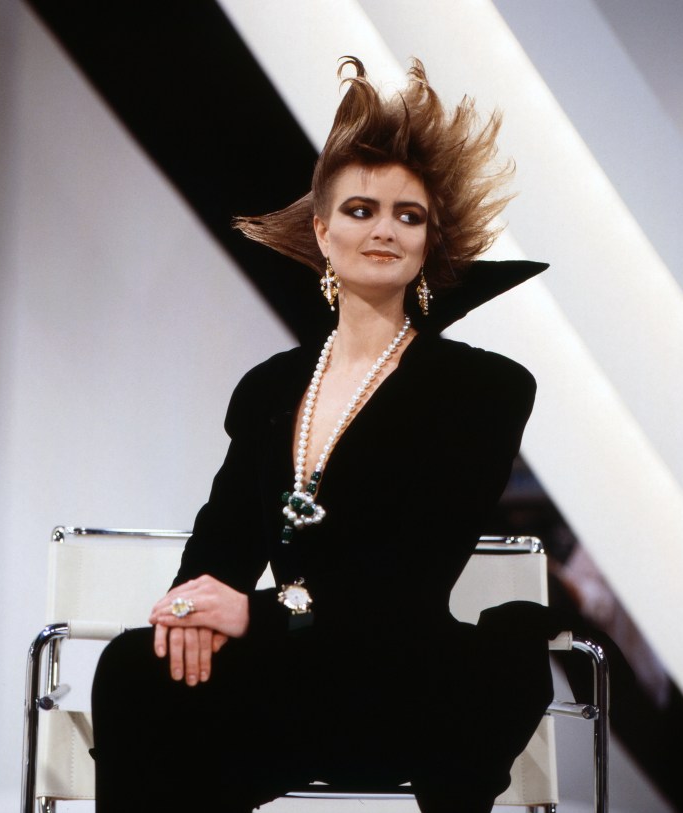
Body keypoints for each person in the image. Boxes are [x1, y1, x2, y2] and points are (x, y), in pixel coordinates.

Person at [91, 57, 554, 813]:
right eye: (361, 210)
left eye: (409, 216)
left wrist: (257, 612)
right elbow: (223, 539)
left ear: (428, 242)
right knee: (136, 666)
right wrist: (192, 608)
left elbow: (408, 578)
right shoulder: (271, 387)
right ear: (322, 230)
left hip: (400, 671)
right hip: (291, 662)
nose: (385, 230)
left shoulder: (484, 388)